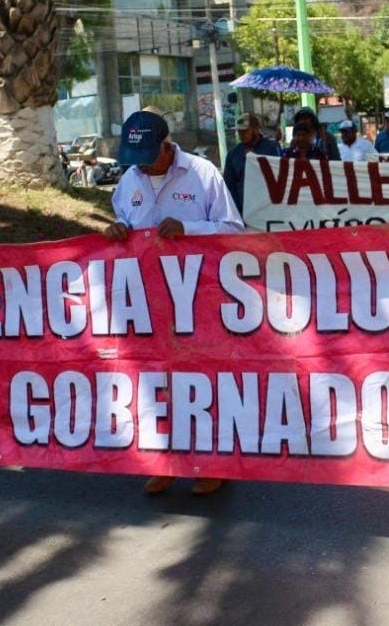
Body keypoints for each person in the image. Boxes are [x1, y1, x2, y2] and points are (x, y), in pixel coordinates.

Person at [104, 111, 244, 496]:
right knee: (155, 385)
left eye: (150, 154)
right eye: (136, 157)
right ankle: (164, 461)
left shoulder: (203, 174)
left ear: (168, 145)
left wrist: (189, 229)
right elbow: (122, 227)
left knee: (203, 383)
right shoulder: (127, 181)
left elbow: (233, 230)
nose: (143, 164)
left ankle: (213, 464)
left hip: (199, 300)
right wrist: (114, 231)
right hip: (147, 306)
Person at [223, 112, 282, 214]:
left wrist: (256, 159)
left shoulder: (271, 148)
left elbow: (280, 176)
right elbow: (229, 185)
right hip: (242, 212)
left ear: (256, 129)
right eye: (239, 131)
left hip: (267, 209)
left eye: (245, 131)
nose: (241, 134)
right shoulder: (233, 154)